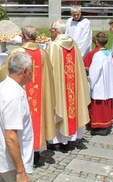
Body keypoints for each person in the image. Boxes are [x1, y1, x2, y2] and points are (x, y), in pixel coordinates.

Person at [0, 25, 56, 164]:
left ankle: (21, 155)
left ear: (22, 36)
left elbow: (4, 72)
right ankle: (36, 154)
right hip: (39, 96)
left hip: (20, 94)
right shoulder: (43, 53)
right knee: (36, 118)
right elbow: (49, 75)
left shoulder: (17, 52)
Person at [46, 20, 90, 151]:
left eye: (51, 31)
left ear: (56, 31)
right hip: (73, 86)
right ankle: (71, 139)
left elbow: (49, 68)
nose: (51, 33)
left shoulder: (54, 46)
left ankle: (57, 141)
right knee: (72, 107)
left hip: (59, 86)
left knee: (59, 108)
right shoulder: (74, 44)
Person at [0, 51, 34, 182]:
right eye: (32, 70)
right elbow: (11, 137)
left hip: (3, 158)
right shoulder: (13, 96)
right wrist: (21, 172)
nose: (33, 73)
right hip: (12, 164)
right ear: (25, 71)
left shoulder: (3, 86)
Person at [87, 32, 113, 136]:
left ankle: (99, 126)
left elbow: (94, 71)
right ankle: (107, 123)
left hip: (99, 84)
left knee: (99, 107)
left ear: (96, 41)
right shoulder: (108, 53)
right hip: (107, 84)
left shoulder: (98, 55)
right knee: (106, 105)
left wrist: (90, 81)